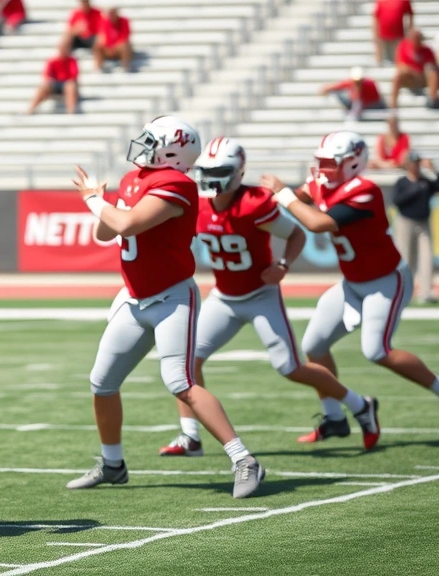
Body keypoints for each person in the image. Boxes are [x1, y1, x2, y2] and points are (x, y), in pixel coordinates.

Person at [67, 116, 265, 498]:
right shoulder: (135, 178)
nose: (141, 146)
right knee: (102, 383)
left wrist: (94, 201)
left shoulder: (177, 183)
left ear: (174, 151)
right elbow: (106, 230)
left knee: (181, 382)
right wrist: (102, 203)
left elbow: (125, 225)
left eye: (151, 141)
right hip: (133, 296)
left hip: (171, 297)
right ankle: (112, 464)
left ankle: (245, 460)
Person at [160, 137, 380, 456]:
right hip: (223, 297)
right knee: (187, 362)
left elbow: (296, 233)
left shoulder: (254, 203)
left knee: (289, 367)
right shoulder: (197, 202)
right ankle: (190, 436)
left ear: (237, 172)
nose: (209, 178)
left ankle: (360, 405)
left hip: (260, 295)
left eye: (219, 170)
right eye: (205, 170)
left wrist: (283, 264)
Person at [261, 131, 439, 442]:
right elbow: (296, 199)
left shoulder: (364, 190)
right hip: (352, 282)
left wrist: (283, 194)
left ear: (352, 163)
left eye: (329, 163)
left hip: (385, 282)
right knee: (313, 346)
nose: (322, 169)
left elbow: (318, 223)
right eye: (320, 162)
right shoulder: (324, 183)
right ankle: (336, 417)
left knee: (376, 350)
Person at [391, 152, 439, 304]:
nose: (415, 166)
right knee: (406, 257)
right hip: (406, 222)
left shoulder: (425, 181)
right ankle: (403, 291)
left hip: (423, 222)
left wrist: (433, 169)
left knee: (426, 257)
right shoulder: (402, 182)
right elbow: (397, 201)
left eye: (417, 163)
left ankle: (426, 292)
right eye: (413, 163)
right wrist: (415, 190)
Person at [391, 28, 439, 109]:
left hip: (423, 77)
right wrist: (410, 70)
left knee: (432, 73)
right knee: (398, 75)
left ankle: (433, 99)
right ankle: (393, 104)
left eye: (418, 38)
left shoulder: (427, 50)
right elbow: (399, 65)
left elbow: (434, 66)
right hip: (410, 77)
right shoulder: (403, 47)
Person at [27, 39, 79, 115]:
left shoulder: (72, 61)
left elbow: (74, 76)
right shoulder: (52, 61)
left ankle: (71, 111)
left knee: (70, 86)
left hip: (67, 83)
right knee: (44, 86)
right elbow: (47, 76)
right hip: (55, 83)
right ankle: (31, 109)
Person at [318, 67, 385, 121]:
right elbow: (337, 86)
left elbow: (365, 99)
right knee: (337, 93)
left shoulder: (369, 84)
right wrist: (326, 89)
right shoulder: (351, 82)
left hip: (371, 105)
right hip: (359, 103)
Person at [93, 7, 131, 73]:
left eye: (113, 13)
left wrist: (114, 48)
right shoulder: (104, 22)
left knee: (125, 46)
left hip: (119, 49)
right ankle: (98, 68)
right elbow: (102, 37)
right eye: (110, 14)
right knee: (97, 46)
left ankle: (125, 67)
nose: (112, 16)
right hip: (109, 49)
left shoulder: (124, 21)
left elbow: (125, 37)